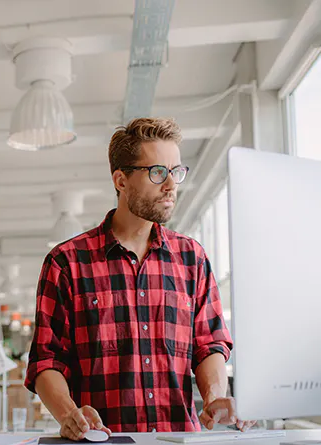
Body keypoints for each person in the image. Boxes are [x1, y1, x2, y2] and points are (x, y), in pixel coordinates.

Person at [25, 118, 255, 439]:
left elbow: (209, 344)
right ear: (121, 180)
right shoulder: (67, 262)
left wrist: (215, 396)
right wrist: (69, 414)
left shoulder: (192, 258)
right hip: (102, 440)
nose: (171, 185)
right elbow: (46, 360)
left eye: (176, 172)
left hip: (178, 439)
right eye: (157, 172)